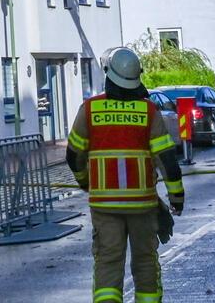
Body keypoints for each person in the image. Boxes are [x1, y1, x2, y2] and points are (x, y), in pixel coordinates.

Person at [68, 47, 186, 303]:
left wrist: (85, 181)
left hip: (104, 205)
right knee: (145, 263)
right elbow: (167, 161)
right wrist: (176, 197)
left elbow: (72, 154)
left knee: (108, 264)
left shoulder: (89, 110)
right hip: (142, 205)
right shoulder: (148, 111)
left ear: (108, 74)